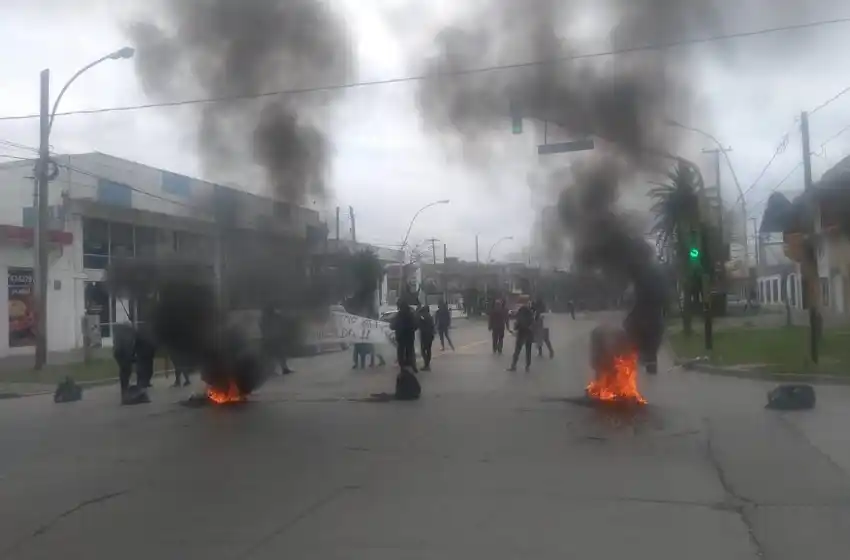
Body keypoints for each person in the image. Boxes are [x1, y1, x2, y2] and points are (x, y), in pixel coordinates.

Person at [260, 303, 293, 375]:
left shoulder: (269, 317)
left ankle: (282, 369)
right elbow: (264, 327)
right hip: (271, 339)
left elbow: (281, 323)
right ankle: (277, 369)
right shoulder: (267, 318)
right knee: (274, 355)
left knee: (277, 355)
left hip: (273, 338)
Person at [390, 300, 418, 372]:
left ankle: (402, 368)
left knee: (400, 353)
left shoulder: (399, 315)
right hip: (410, 336)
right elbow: (416, 325)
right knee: (410, 351)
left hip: (401, 337)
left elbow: (393, 326)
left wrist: (396, 327)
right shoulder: (411, 314)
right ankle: (413, 366)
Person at [508, 301, 535, 372]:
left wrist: (515, 328)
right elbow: (533, 324)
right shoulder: (530, 314)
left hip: (522, 333)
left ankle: (513, 366)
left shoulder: (521, 312)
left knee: (517, 350)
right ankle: (527, 366)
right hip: (529, 334)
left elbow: (518, 322)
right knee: (528, 351)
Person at [418, 305, 435, 371]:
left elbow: (420, 325)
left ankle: (426, 365)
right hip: (430, 335)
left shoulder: (423, 317)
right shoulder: (430, 317)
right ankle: (427, 365)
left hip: (425, 336)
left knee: (423, 351)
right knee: (428, 350)